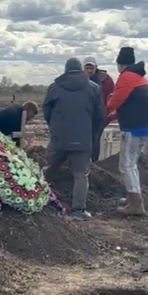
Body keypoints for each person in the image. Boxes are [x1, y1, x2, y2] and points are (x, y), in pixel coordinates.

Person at [43, 57, 106, 222]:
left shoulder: (54, 88)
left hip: (59, 138)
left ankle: (38, 200)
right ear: (81, 69)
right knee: (81, 175)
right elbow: (100, 115)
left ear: (66, 70)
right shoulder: (93, 88)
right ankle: (79, 210)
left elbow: (47, 112)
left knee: (49, 169)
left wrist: (55, 128)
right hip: (83, 139)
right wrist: (92, 133)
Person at [105, 46, 148, 217]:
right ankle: (133, 196)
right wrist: (115, 115)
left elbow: (114, 102)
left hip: (133, 129)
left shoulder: (126, 77)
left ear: (120, 64)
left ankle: (135, 204)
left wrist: (106, 109)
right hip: (142, 127)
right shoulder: (140, 77)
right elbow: (132, 103)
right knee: (131, 164)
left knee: (126, 165)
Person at [83, 57, 115, 162]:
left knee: (95, 139)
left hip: (99, 116)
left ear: (96, 67)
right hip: (84, 115)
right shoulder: (80, 80)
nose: (89, 71)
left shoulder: (106, 80)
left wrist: (107, 115)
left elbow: (112, 97)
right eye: (87, 68)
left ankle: (94, 162)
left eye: (91, 68)